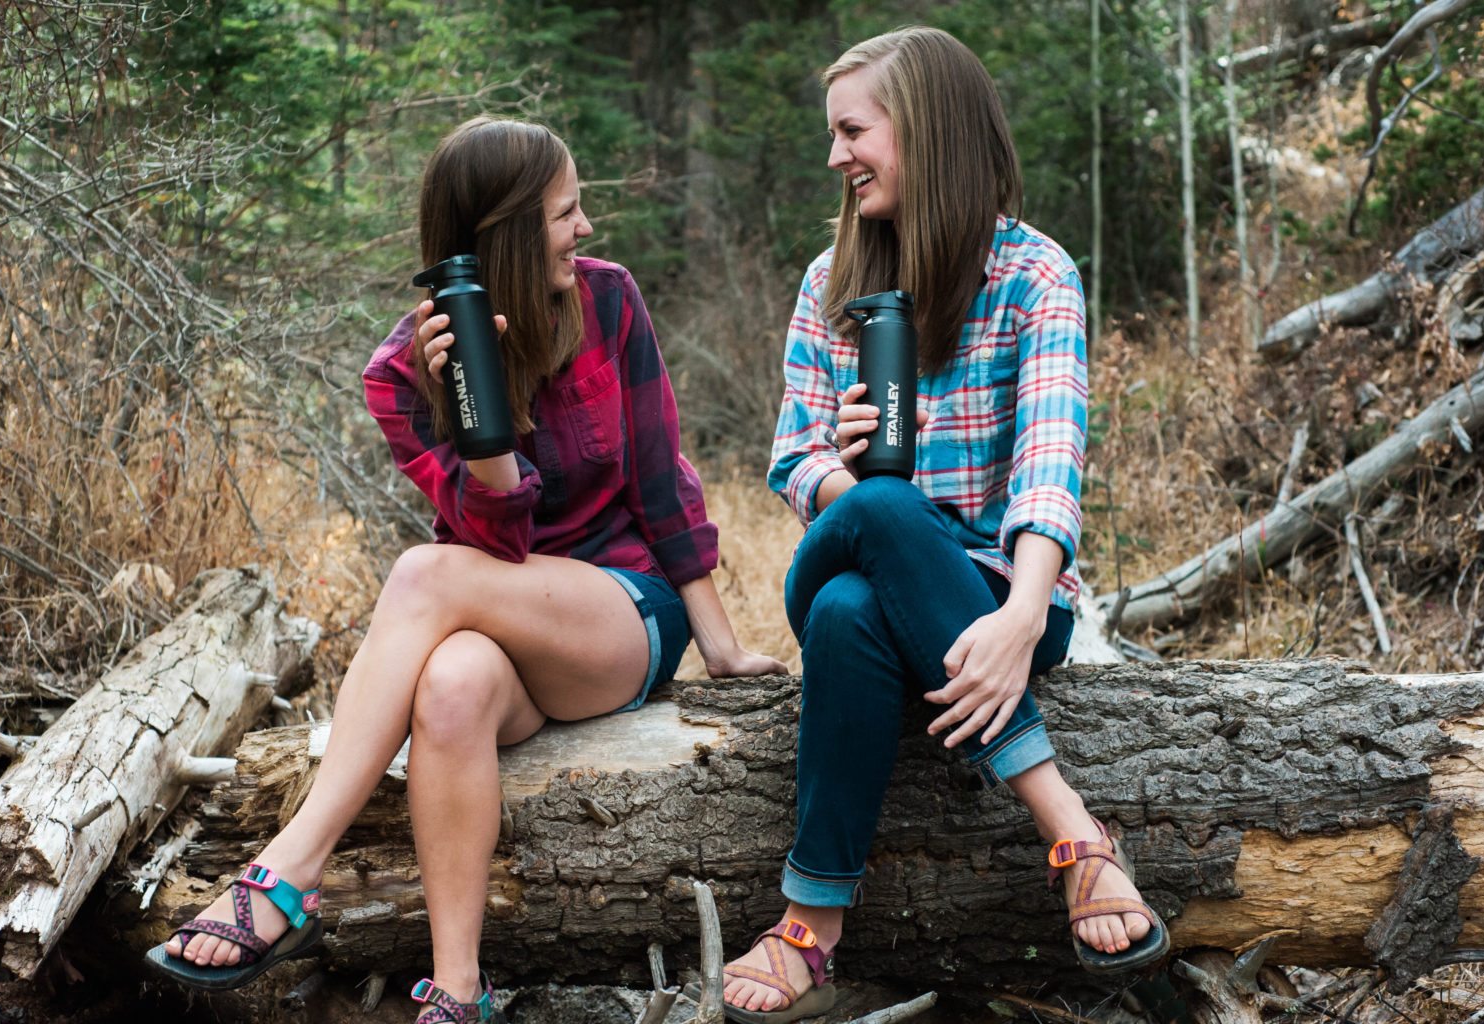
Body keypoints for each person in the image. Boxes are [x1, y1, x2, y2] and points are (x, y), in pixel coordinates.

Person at [145, 115, 785, 1024]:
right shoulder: (397, 375)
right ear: (512, 229)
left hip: (622, 615)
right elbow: (500, 549)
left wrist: (719, 647)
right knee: (448, 686)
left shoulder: (608, 301)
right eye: (567, 213)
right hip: (506, 627)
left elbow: (661, 479)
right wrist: (478, 416)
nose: (586, 230)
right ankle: (458, 989)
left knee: (419, 574)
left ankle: (291, 867)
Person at [722, 27, 1168, 1023]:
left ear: (925, 129)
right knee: (872, 517)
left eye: (851, 132)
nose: (835, 158)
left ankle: (808, 928)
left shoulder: (1035, 276)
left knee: (848, 615)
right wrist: (846, 470)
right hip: (852, 534)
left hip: (1004, 594)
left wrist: (1019, 618)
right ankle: (1073, 831)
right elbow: (792, 459)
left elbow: (1050, 468)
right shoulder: (827, 282)